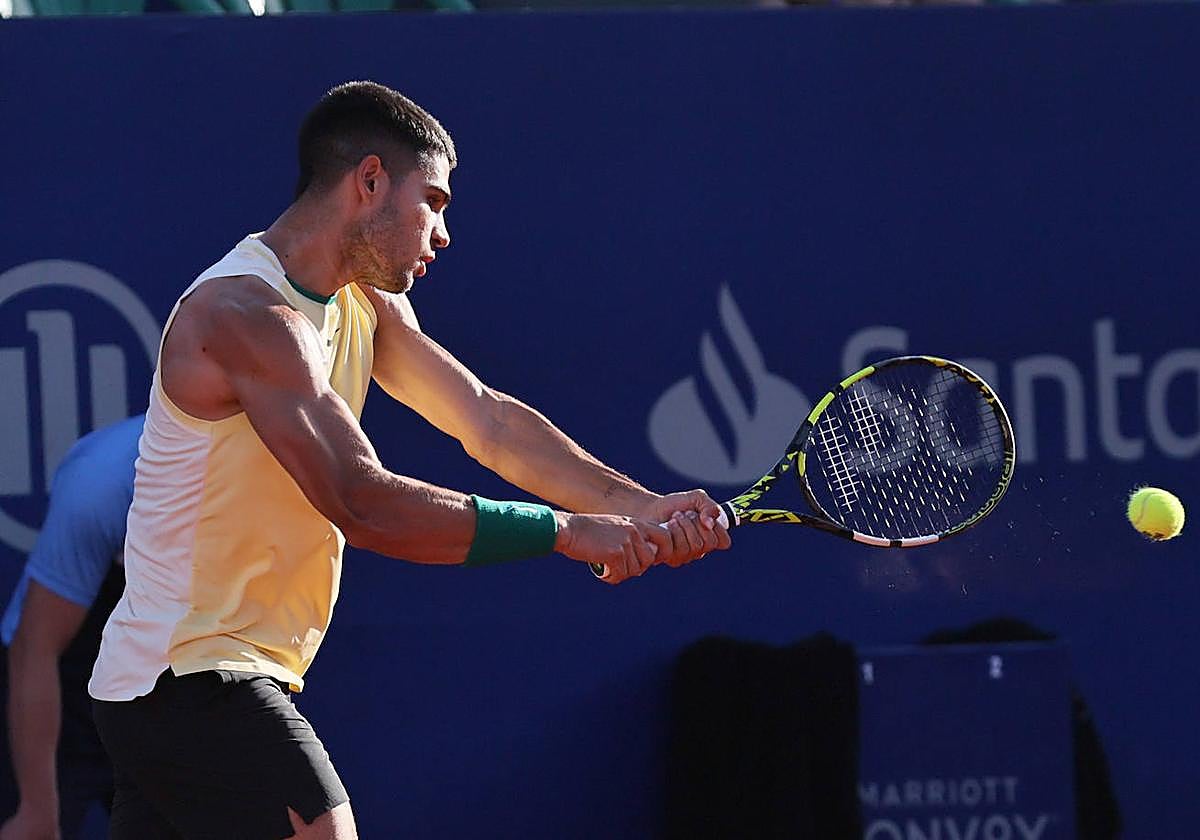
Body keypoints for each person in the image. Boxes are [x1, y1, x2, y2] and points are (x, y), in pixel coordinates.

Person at [88, 80, 730, 840]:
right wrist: (563, 531)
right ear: (368, 183)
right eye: (435, 201)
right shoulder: (243, 315)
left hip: (185, 680)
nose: (445, 233)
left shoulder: (366, 302)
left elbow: (487, 422)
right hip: (189, 675)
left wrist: (640, 507)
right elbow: (361, 501)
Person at [0, 415, 143, 840]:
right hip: (61, 684)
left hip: (165, 692)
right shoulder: (103, 480)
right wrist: (36, 810)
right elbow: (36, 649)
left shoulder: (274, 470)